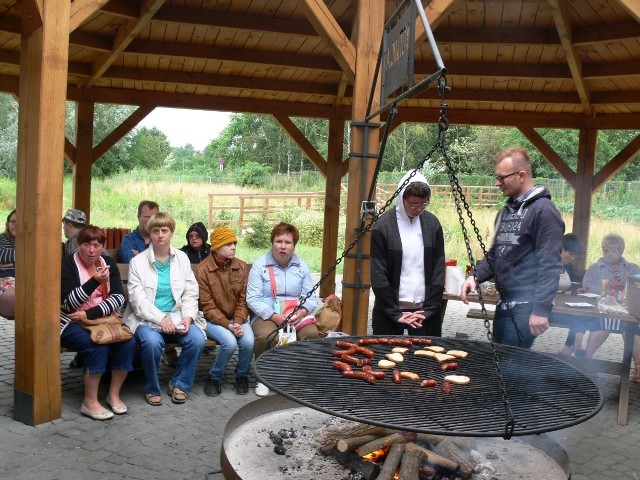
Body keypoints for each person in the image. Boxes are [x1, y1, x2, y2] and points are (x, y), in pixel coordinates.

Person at [461, 147, 564, 348]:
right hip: (505, 302)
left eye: (502, 177)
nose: (497, 183)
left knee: (509, 366)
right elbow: (495, 254)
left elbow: (550, 263)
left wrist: (541, 310)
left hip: (526, 306)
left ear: (521, 176)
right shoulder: (506, 211)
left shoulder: (544, 211)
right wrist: (475, 276)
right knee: (500, 363)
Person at [123, 212, 206, 406]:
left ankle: (180, 384)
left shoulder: (182, 259)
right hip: (147, 319)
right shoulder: (138, 262)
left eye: (165, 230)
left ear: (171, 233)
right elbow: (138, 301)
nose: (160, 235)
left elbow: (191, 292)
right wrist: (161, 319)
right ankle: (152, 387)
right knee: (151, 343)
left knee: (196, 339)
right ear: (149, 234)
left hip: (177, 317)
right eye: (156, 230)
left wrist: (188, 318)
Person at [60, 225, 135, 420]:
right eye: (87, 244)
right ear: (79, 244)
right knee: (96, 344)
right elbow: (69, 304)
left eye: (96, 245)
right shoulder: (68, 264)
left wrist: (89, 313)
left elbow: (118, 298)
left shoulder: (108, 262)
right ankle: (90, 401)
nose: (91, 250)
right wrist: (94, 281)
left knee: (128, 341)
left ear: (102, 246)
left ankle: (113, 395)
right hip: (71, 323)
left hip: (98, 319)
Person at [370, 170, 445, 336]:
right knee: (386, 358)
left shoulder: (432, 224)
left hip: (424, 313)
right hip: (390, 312)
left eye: (423, 204)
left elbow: (439, 268)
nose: (418, 209)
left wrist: (428, 310)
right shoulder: (383, 226)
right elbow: (378, 273)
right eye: (413, 205)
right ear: (401, 198)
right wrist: (395, 313)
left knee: (426, 358)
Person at [247, 222, 318, 397]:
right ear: (272, 243)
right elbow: (252, 298)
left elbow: (311, 297)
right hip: (267, 314)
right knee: (265, 336)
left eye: (288, 242)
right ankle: (262, 377)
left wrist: (301, 312)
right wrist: (275, 316)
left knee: (311, 333)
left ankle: (297, 375)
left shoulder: (302, 266)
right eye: (279, 241)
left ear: (294, 245)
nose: (283, 246)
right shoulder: (260, 265)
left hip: (295, 314)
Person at [195, 226, 252, 396]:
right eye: (228, 244)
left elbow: (244, 300)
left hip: (238, 319)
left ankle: (242, 376)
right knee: (230, 343)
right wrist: (228, 325)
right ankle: (214, 377)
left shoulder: (241, 267)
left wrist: (238, 321)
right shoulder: (203, 270)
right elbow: (207, 306)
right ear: (217, 247)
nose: (233, 247)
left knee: (248, 342)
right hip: (212, 320)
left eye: (234, 243)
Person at [582, 234, 640, 366]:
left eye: (613, 251)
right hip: (603, 309)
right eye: (606, 250)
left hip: (628, 311)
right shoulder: (595, 268)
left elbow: (638, 286)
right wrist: (609, 288)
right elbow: (587, 286)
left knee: (632, 328)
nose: (609, 254)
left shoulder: (633, 268)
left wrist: (623, 289)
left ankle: (638, 367)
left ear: (621, 251)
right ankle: (587, 360)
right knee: (604, 323)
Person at [557, 233, 587, 356]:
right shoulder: (547, 264)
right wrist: (564, 293)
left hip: (560, 307)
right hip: (544, 308)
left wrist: (575, 291)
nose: (573, 258)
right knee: (579, 318)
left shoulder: (567, 265)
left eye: (575, 255)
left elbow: (567, 286)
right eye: (571, 254)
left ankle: (570, 349)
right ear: (562, 249)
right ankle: (574, 349)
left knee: (582, 315)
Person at [0, 209, 17, 319]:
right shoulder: (1, 238)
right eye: (13, 221)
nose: (15, 225)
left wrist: (10, 262)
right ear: (8, 223)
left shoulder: (31, 239)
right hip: (4, 277)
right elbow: (1, 255)